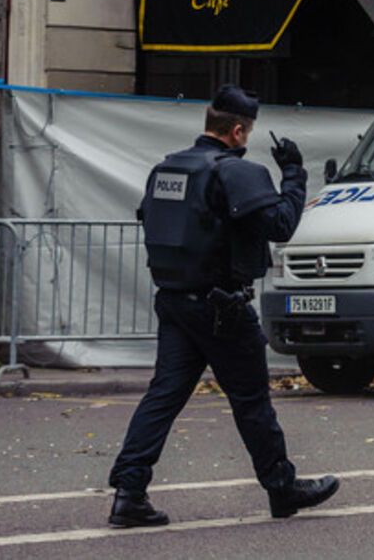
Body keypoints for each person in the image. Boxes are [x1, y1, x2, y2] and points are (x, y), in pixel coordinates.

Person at [107, 85, 340, 527]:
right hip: (222, 306)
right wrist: (293, 175)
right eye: (246, 133)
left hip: (175, 302)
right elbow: (281, 225)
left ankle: (129, 492)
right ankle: (281, 488)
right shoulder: (235, 171)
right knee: (252, 401)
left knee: (164, 396)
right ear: (236, 130)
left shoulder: (168, 168)